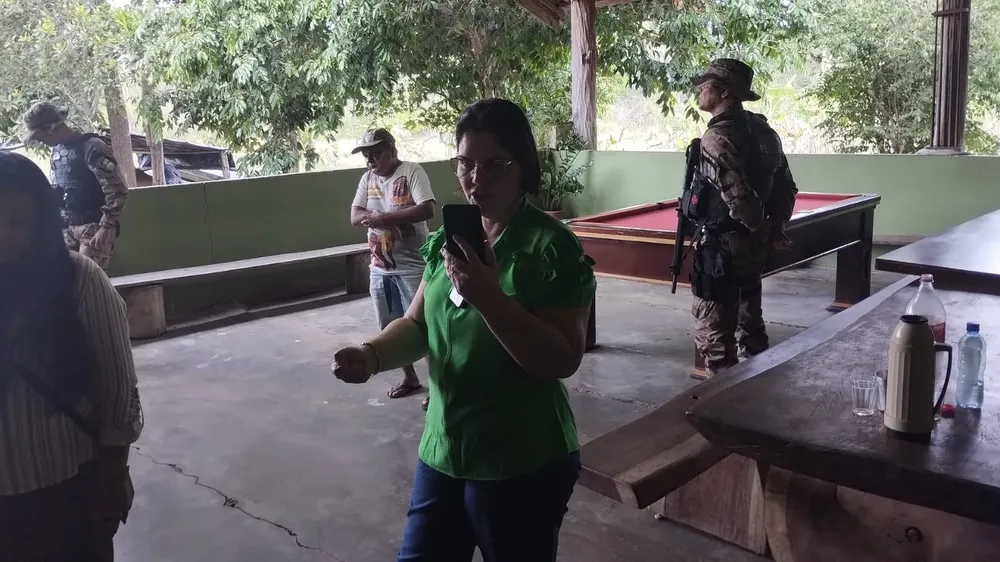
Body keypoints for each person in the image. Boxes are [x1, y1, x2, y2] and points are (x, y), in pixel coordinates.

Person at [332, 99, 595, 562]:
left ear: (523, 168)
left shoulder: (551, 248)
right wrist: (371, 355)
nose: (476, 178)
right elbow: (416, 323)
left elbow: (561, 359)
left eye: (495, 165)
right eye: (466, 163)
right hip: (444, 448)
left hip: (522, 458)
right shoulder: (447, 242)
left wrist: (489, 297)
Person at [0, 152, 143, 560]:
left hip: (67, 494)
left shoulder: (79, 279)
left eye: (17, 221)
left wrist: (112, 477)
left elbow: (117, 391)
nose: (2, 235)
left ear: (41, 221)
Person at [688, 58, 798, 378]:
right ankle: (756, 391)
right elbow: (786, 187)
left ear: (724, 92)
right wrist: (773, 229)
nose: (699, 90)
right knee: (751, 328)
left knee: (714, 341)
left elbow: (739, 197)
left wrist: (763, 230)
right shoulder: (765, 132)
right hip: (751, 247)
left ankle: (725, 401)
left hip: (723, 249)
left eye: (705, 85)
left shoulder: (717, 137)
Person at [350, 128, 437, 409]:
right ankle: (409, 377)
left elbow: (427, 209)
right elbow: (355, 215)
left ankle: (437, 387)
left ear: (391, 149)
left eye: (376, 153)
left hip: (413, 267)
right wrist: (376, 218)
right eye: (366, 155)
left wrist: (384, 218)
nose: (370, 160)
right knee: (389, 326)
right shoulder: (368, 179)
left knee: (424, 328)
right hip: (380, 268)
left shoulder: (411, 171)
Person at [22, 101, 129, 271]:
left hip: (93, 228)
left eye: (39, 136)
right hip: (68, 228)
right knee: (65, 282)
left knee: (88, 282)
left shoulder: (92, 147)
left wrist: (107, 227)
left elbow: (117, 190)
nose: (40, 141)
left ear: (49, 128)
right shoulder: (57, 151)